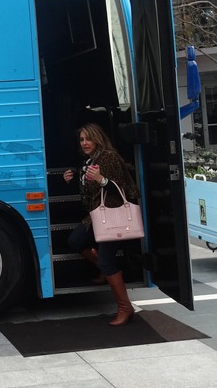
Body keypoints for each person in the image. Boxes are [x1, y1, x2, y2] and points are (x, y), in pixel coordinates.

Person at [62, 123, 141, 326]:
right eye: (82, 139)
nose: (85, 143)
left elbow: (123, 187)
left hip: (112, 216)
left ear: (98, 139)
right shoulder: (89, 161)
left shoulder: (108, 157)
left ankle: (125, 307)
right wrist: (72, 179)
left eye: (88, 138)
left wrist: (101, 179)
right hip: (97, 216)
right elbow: (88, 192)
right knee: (75, 241)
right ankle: (104, 270)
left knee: (107, 260)